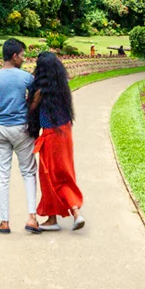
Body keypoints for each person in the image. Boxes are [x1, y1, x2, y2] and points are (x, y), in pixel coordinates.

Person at [0, 38, 41, 235]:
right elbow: (36, 95)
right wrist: (28, 106)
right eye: (22, 55)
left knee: (3, 175)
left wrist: (0, 104)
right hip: (21, 129)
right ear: (14, 56)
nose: (23, 59)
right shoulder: (26, 78)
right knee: (29, 172)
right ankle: (32, 218)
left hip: (0, 130)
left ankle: (4, 222)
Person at [27, 52, 85, 232]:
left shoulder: (40, 90)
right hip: (66, 132)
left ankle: (55, 219)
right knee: (64, 173)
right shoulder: (62, 84)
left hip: (51, 136)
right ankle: (74, 214)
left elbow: (32, 109)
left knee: (49, 177)